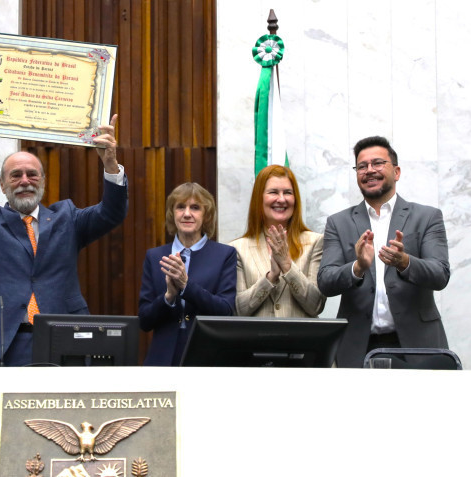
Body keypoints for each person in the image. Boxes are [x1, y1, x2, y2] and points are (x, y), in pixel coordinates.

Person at [0, 116, 128, 366]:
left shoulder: (68, 218)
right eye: (15, 175)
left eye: (32, 174)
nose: (25, 181)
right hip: (7, 340)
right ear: (2, 184)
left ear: (43, 181)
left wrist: (110, 164)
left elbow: (111, 213)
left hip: (65, 336)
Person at [318, 136, 450, 368]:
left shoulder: (427, 217)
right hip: (358, 346)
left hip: (417, 344)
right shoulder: (338, 223)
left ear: (396, 172)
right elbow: (326, 281)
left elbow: (440, 274)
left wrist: (405, 262)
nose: (369, 170)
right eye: (362, 166)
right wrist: (357, 268)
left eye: (378, 163)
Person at [138, 183, 236, 366]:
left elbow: (225, 311)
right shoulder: (155, 256)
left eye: (195, 208)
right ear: (172, 213)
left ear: (206, 215)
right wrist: (168, 297)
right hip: (163, 358)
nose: (187, 213)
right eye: (180, 207)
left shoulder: (225, 255)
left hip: (207, 358)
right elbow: (144, 321)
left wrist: (186, 286)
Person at [229, 165, 326, 319]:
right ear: (259, 198)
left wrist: (287, 265)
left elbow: (316, 306)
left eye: (288, 192)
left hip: (301, 342)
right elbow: (238, 309)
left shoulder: (315, 242)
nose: (281, 199)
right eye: (273, 192)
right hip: (255, 342)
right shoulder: (237, 249)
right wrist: (271, 277)